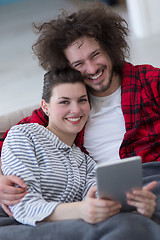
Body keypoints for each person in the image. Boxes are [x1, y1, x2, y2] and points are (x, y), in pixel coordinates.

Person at [0, 0, 160, 228]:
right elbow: (8, 140)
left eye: (96, 55)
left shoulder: (150, 82)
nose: (92, 68)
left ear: (109, 48)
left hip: (153, 178)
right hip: (104, 195)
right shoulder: (69, 107)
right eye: (79, 64)